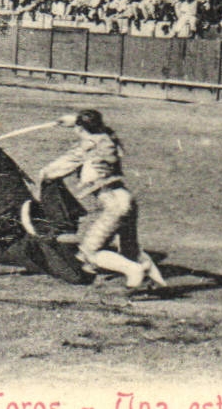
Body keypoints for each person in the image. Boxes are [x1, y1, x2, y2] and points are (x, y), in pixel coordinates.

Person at [36, 109, 166, 291]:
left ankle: (134, 273)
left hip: (114, 207)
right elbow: (99, 129)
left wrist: (43, 176)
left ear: (81, 128)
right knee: (131, 251)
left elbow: (50, 172)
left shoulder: (85, 148)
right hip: (127, 201)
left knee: (90, 252)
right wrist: (75, 122)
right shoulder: (107, 139)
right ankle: (159, 284)